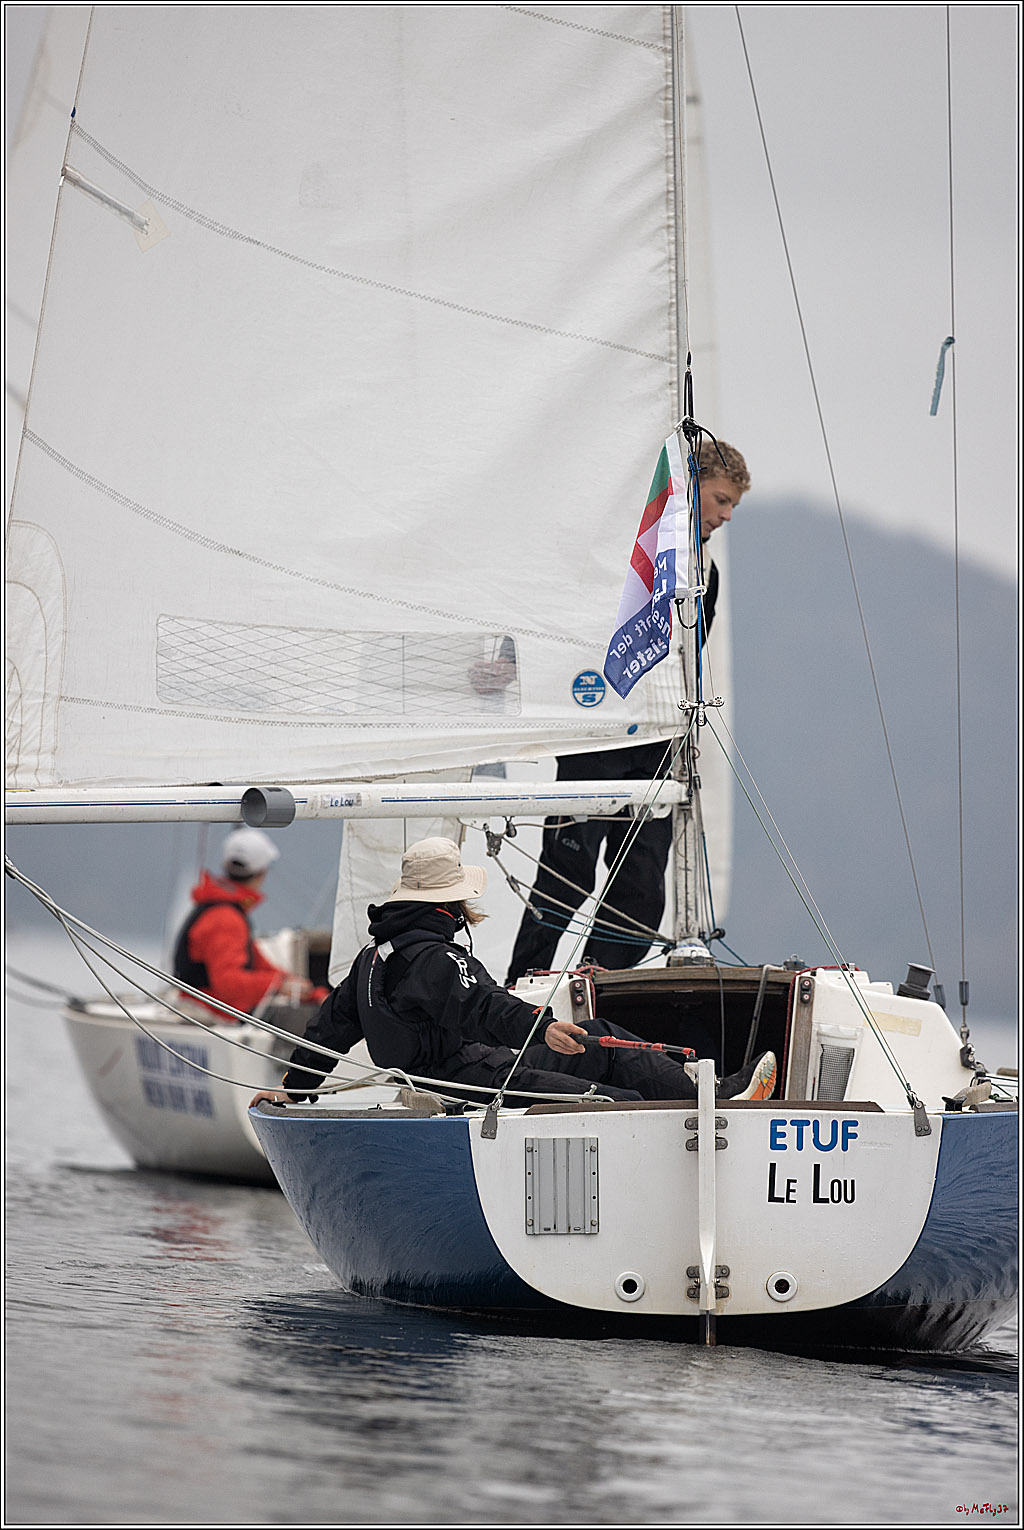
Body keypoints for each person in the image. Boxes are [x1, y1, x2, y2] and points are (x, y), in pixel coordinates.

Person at [250, 837, 776, 1108]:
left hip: (473, 1068)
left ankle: (714, 1098)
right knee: (619, 1103)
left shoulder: (374, 958)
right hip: (468, 1080)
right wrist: (542, 1027)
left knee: (599, 1037)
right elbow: (484, 1006)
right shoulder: (435, 959)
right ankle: (711, 1108)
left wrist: (293, 1088)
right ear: (450, 903)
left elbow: (328, 1031)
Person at [504, 439, 750, 983]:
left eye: (734, 505)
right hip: (601, 733)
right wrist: (511, 660)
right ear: (691, 489)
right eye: (721, 500)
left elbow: (693, 655)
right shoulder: (627, 542)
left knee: (641, 889)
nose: (728, 515)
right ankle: (524, 981)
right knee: (567, 873)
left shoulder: (705, 568)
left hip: (660, 741)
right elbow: (562, 607)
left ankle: (595, 979)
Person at [173, 826, 329, 1019]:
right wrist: (279, 985)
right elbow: (228, 983)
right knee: (303, 1021)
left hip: (207, 1010)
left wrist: (304, 990)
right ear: (262, 872)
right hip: (214, 1016)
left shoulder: (217, 909)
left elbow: (258, 963)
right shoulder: (226, 919)